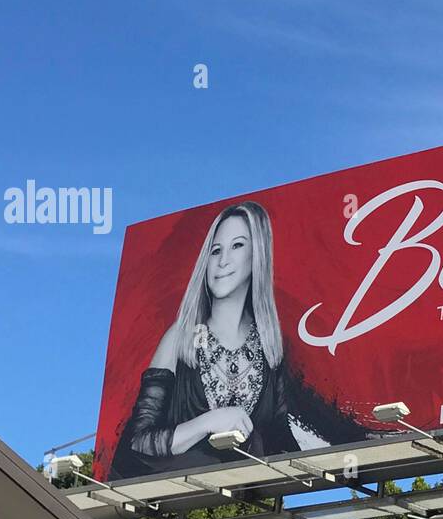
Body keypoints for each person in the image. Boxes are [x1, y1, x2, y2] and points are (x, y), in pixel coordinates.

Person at [109, 201, 361, 480]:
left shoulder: (271, 348)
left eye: (237, 246)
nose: (222, 261)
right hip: (170, 497)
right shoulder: (181, 338)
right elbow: (137, 441)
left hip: (239, 500)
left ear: (258, 256)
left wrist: (339, 456)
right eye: (215, 250)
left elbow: (280, 442)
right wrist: (208, 422)